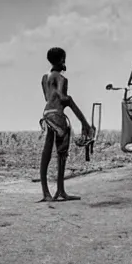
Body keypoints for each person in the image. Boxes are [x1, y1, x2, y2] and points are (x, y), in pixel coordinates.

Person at [39, 47, 92, 203]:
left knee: (46, 153)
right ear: (61, 59)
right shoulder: (62, 79)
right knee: (62, 154)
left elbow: (47, 98)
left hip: (47, 115)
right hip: (58, 117)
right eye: (63, 59)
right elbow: (62, 98)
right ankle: (60, 191)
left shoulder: (44, 78)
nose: (64, 62)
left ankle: (47, 193)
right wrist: (84, 121)